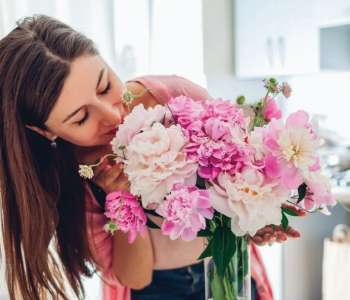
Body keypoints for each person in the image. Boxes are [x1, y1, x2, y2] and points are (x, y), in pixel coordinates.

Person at [0, 15, 303, 300]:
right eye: (81, 118)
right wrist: (120, 197)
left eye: (105, 86)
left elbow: (239, 175)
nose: (112, 115)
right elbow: (137, 277)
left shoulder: (172, 96)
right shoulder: (68, 180)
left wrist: (259, 218)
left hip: (226, 269)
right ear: (44, 131)